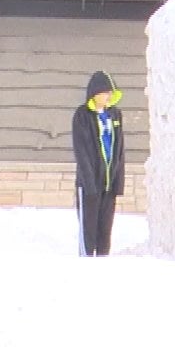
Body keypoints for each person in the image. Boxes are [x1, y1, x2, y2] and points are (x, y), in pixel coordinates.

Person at [72, 70, 127, 257]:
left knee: (105, 231)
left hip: (108, 184)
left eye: (111, 92)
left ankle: (102, 265)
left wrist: (118, 181)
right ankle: (85, 264)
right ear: (95, 93)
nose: (109, 96)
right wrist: (89, 182)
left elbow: (120, 150)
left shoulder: (115, 115)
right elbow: (81, 150)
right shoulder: (82, 116)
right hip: (90, 185)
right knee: (88, 231)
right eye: (106, 92)